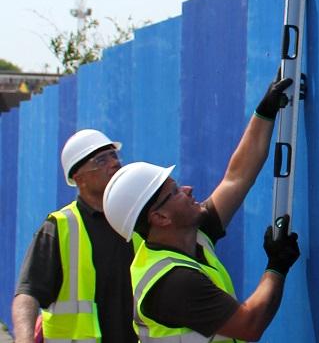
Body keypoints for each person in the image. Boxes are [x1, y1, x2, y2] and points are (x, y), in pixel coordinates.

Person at [101, 76, 301, 342]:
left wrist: (264, 112)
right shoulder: (172, 282)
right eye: (174, 192)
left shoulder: (192, 235)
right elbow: (249, 325)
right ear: (160, 217)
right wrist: (277, 267)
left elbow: (237, 177)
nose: (188, 190)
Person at [11, 129, 138, 343]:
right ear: (79, 178)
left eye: (114, 155)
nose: (114, 163)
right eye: (101, 160)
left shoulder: (136, 219)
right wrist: (24, 339)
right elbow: (27, 293)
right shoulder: (60, 227)